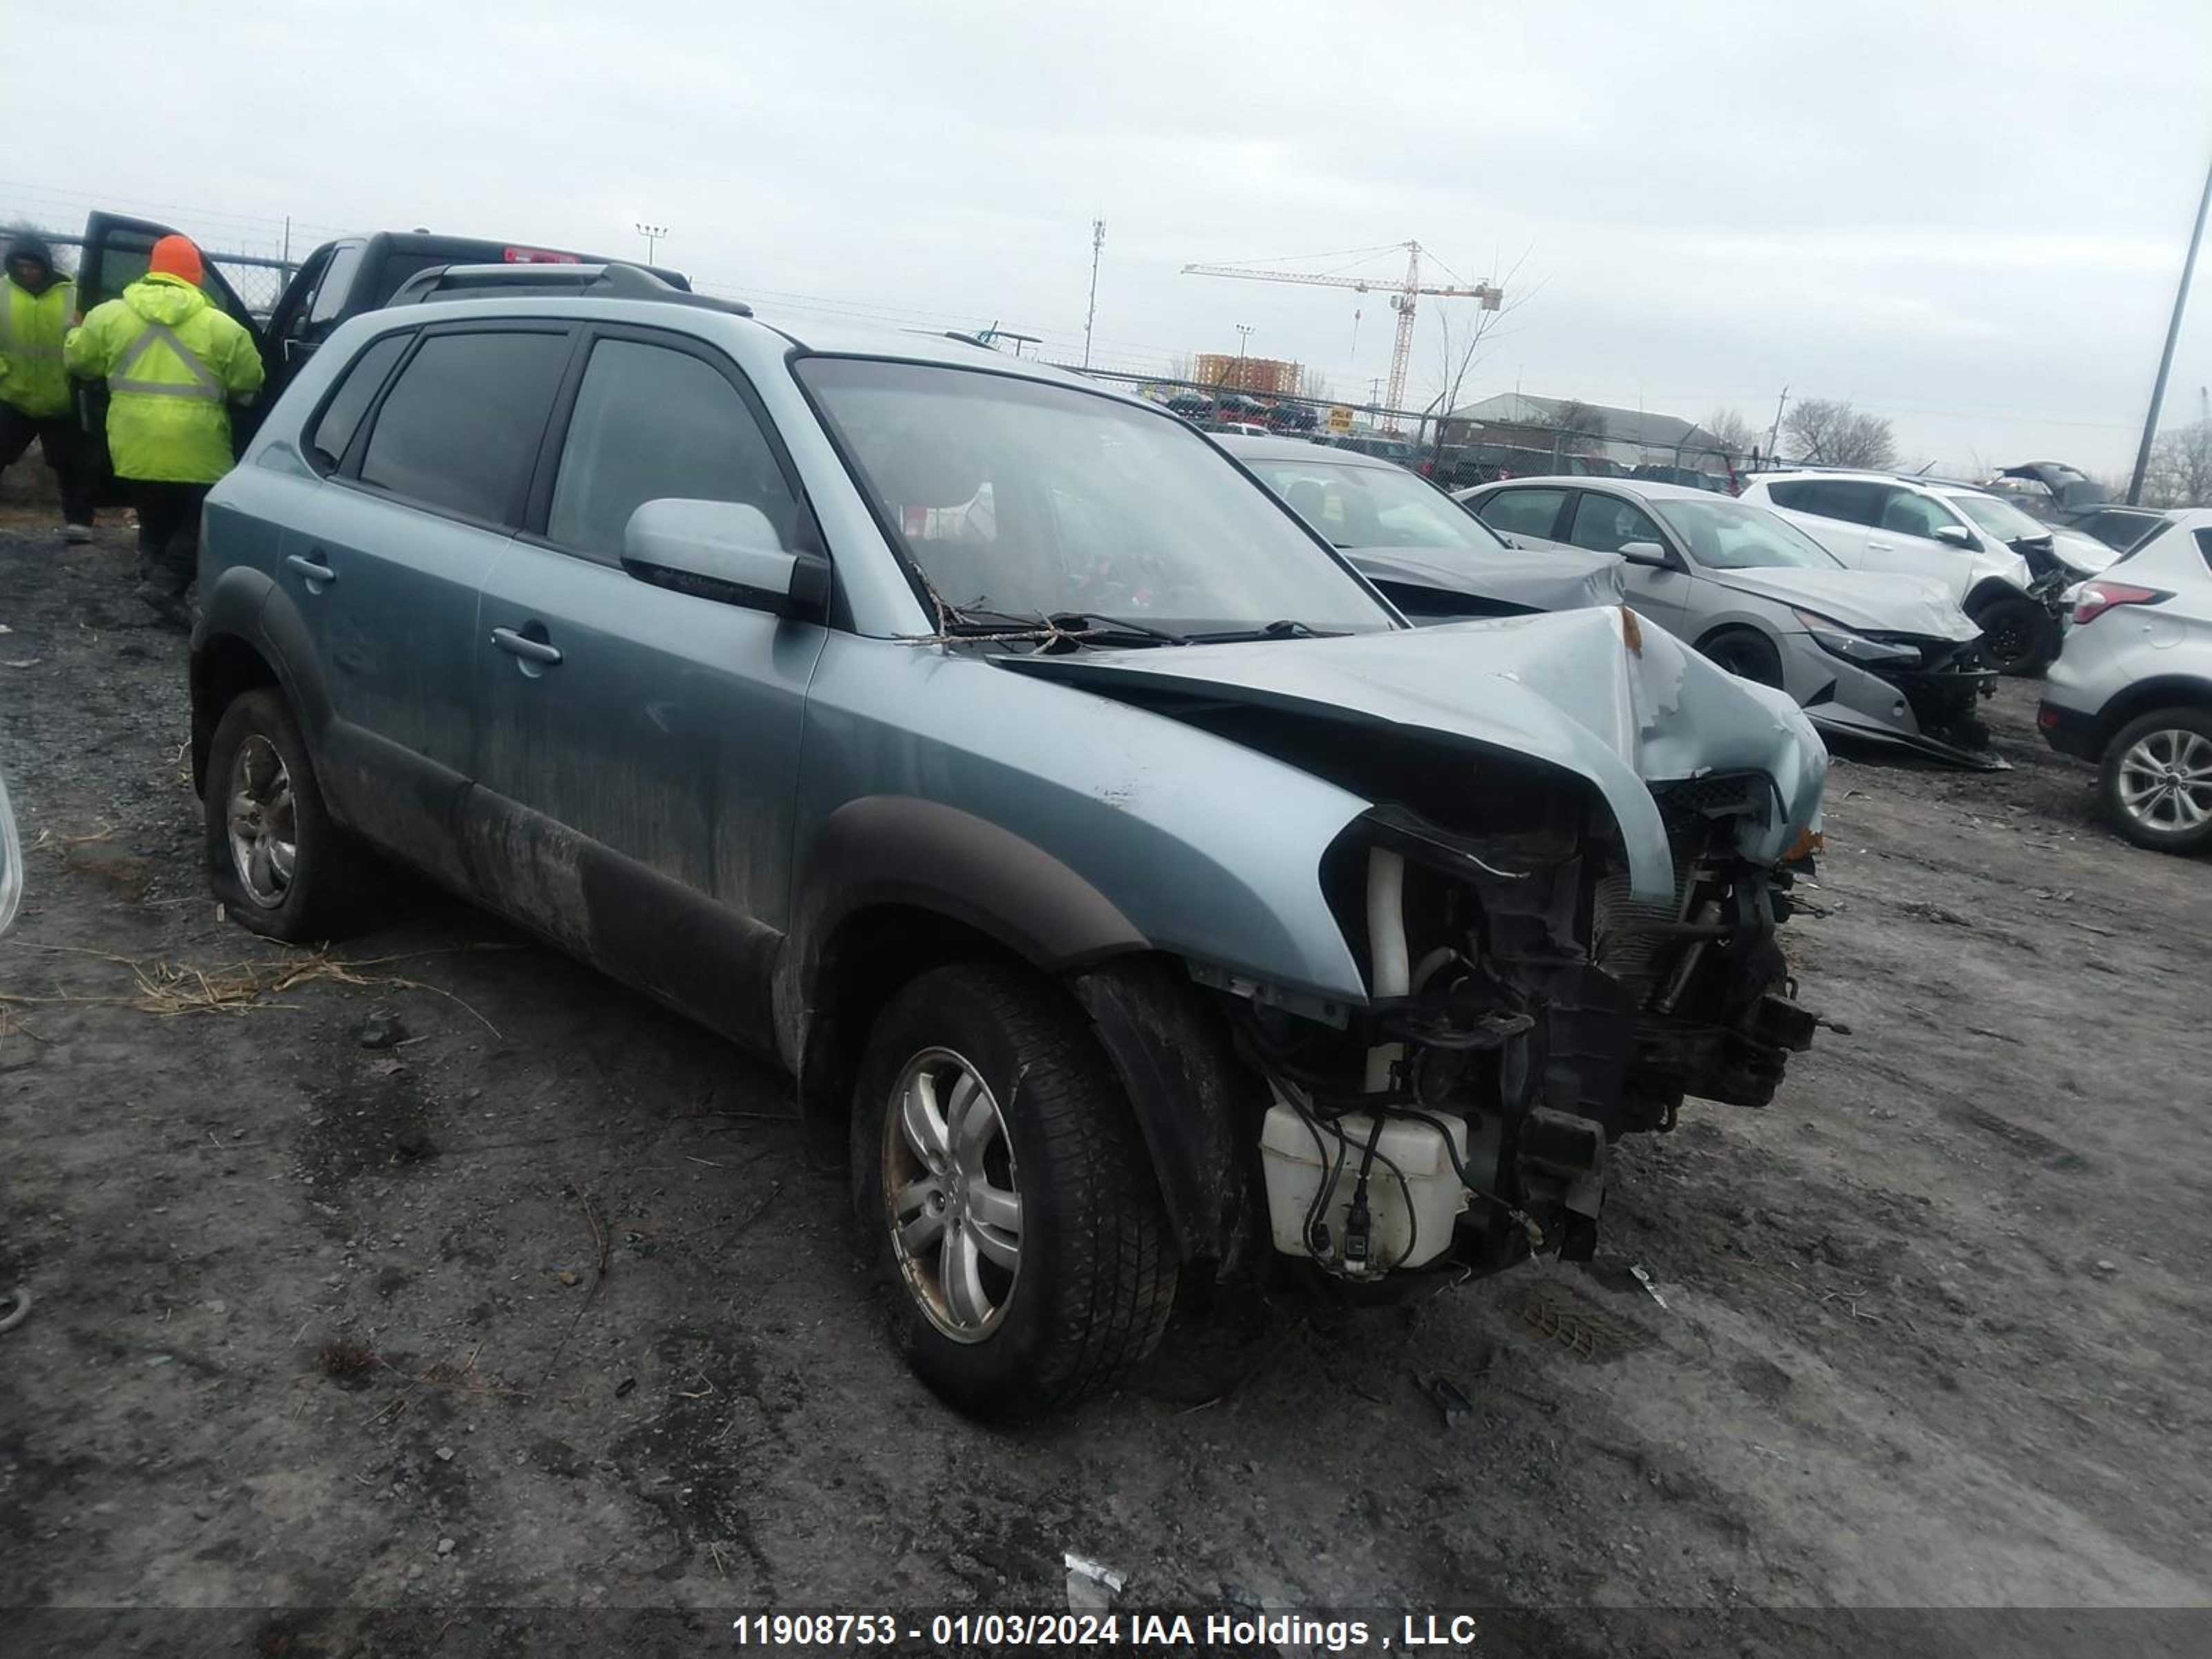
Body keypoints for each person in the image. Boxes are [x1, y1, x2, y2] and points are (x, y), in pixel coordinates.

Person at [64, 233, 262, 626]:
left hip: (133, 438)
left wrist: (75, 331)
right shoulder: (222, 327)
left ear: (152, 269)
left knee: (153, 508)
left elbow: (79, 363)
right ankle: (166, 584)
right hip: (198, 441)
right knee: (204, 516)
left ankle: (151, 572)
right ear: (197, 275)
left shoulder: (108, 316)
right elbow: (249, 382)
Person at [0, 231, 95, 542]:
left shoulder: (74, 295)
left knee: (70, 464)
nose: (26, 272)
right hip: (15, 395)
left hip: (60, 398)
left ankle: (80, 524)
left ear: (46, 265)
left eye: (32, 266)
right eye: (19, 266)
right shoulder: (2, 292)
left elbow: (88, 339)